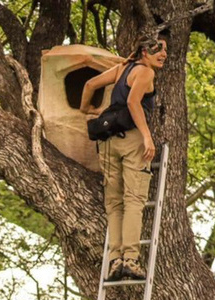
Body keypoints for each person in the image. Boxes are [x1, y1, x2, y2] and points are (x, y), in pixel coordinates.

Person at [81, 36, 168, 282]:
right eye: (157, 50)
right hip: (130, 139)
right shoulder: (145, 73)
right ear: (143, 51)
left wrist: (86, 110)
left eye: (165, 50)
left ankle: (114, 260)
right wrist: (147, 137)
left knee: (114, 203)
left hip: (107, 142)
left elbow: (89, 85)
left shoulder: (122, 68)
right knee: (134, 200)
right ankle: (130, 259)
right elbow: (132, 102)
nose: (163, 54)